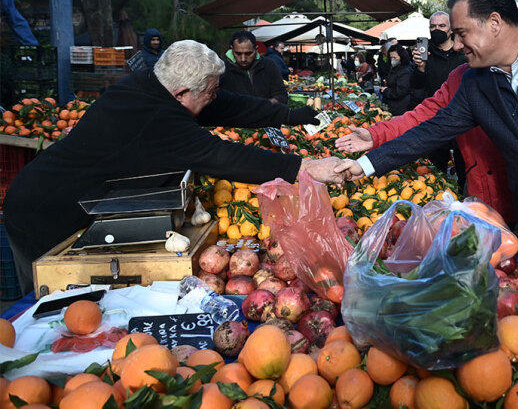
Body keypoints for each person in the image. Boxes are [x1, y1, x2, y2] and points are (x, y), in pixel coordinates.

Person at [335, 0, 518, 298]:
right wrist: (363, 165)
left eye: (461, 33)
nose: (457, 45)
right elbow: (430, 130)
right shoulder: (473, 83)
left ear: (494, 22)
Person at [2, 40, 344, 294]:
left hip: (76, 200)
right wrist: (306, 167)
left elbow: (225, 104)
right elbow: (226, 157)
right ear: (181, 92)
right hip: (43, 212)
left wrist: (288, 115)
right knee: (47, 302)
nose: (215, 96)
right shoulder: (156, 120)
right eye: (209, 91)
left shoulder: (154, 86)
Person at [335, 64, 516, 224]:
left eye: (463, 33)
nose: (459, 44)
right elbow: (424, 120)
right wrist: (375, 135)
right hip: (484, 190)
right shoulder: (462, 76)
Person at [411, 11, 468, 178]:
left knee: (466, 171)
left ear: (451, 29)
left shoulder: (463, 54)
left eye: (442, 26)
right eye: (433, 26)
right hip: (435, 120)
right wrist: (420, 68)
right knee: (436, 172)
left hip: (462, 119)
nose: (437, 29)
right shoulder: (425, 55)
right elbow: (416, 91)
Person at [219, 31, 288, 104]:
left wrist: (265, 105)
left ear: (256, 49)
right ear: (232, 49)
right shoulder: (222, 68)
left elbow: (282, 95)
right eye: (238, 53)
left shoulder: (269, 65)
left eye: (248, 53)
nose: (243, 59)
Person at [382, 44, 414, 116]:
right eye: (391, 57)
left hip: (401, 107)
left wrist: (386, 91)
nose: (393, 60)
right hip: (394, 105)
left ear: (401, 56)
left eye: (394, 57)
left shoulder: (405, 71)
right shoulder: (395, 68)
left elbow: (400, 91)